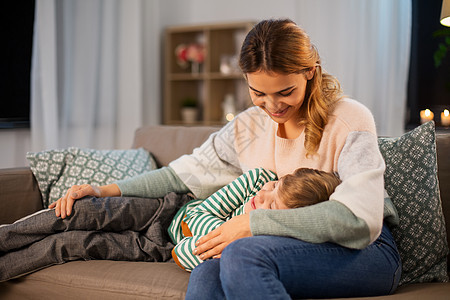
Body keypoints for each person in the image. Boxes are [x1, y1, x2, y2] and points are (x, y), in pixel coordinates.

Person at [2, 18, 401, 299]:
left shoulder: (348, 117)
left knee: (242, 251)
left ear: (311, 73)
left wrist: (253, 224)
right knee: (210, 265)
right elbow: (181, 175)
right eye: (258, 93)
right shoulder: (247, 127)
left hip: (366, 252)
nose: (272, 106)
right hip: (284, 241)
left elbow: (358, 220)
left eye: (285, 92)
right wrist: (103, 188)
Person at [170, 167, 342, 271]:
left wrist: (234, 242)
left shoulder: (261, 243)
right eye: (275, 185)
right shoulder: (258, 180)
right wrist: (227, 236)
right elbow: (191, 219)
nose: (261, 195)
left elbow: (180, 251)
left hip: (163, 241)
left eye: (273, 205)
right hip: (173, 207)